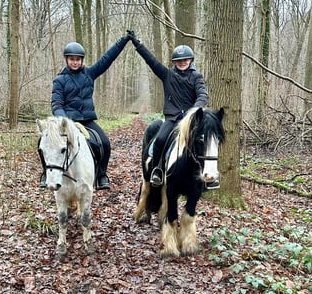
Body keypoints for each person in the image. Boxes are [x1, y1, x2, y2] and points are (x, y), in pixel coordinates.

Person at [39, 33, 133, 190]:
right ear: (67, 60)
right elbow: (56, 103)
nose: (75, 62)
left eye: (77, 59)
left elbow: (107, 59)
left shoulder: (89, 74)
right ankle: (45, 174)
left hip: (87, 120)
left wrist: (124, 40)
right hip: (67, 122)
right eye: (71, 59)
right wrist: (64, 122)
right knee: (42, 143)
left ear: (81, 60)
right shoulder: (59, 80)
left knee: (105, 143)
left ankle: (101, 174)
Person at [127, 30, 209, 187]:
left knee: (206, 141)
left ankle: (207, 175)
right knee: (160, 139)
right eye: (179, 60)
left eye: (185, 60)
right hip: (172, 119)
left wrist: (194, 111)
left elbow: (203, 96)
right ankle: (157, 169)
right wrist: (137, 44)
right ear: (174, 62)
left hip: (191, 120)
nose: (182, 62)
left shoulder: (197, 77)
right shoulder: (167, 75)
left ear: (190, 60)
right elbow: (151, 61)